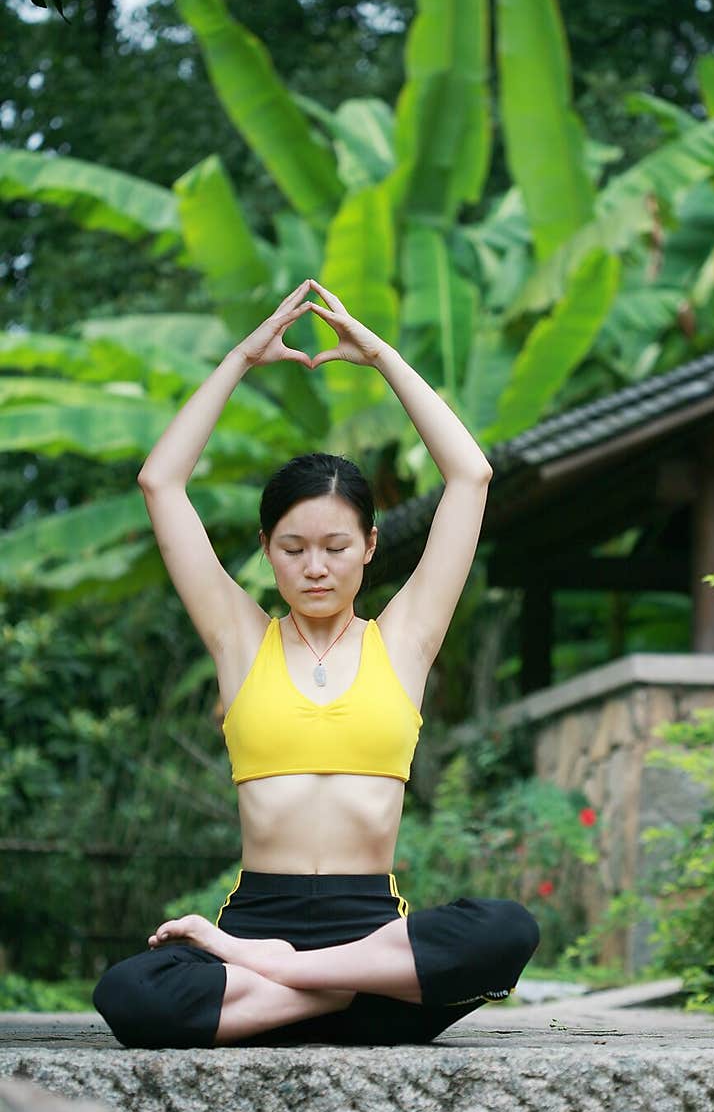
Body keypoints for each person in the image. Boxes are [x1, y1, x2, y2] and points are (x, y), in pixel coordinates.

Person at [92, 279, 539, 1049]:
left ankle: (294, 982)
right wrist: (238, 359)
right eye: (293, 549)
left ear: (369, 548)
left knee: (504, 929)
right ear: (267, 553)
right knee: (129, 992)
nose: (316, 568)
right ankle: (344, 997)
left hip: (367, 931)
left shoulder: (404, 642)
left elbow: (471, 476)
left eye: (336, 548)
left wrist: (384, 358)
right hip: (271, 923)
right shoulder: (241, 640)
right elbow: (160, 482)